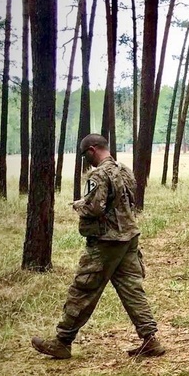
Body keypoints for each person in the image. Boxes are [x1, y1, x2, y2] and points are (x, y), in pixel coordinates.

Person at [31, 134, 165, 359]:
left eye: (85, 155)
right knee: (132, 288)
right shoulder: (124, 170)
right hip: (129, 238)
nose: (86, 160)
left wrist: (78, 205)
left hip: (106, 242)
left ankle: (62, 341)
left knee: (83, 288)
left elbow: (95, 208)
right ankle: (150, 339)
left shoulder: (98, 175)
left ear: (92, 150)